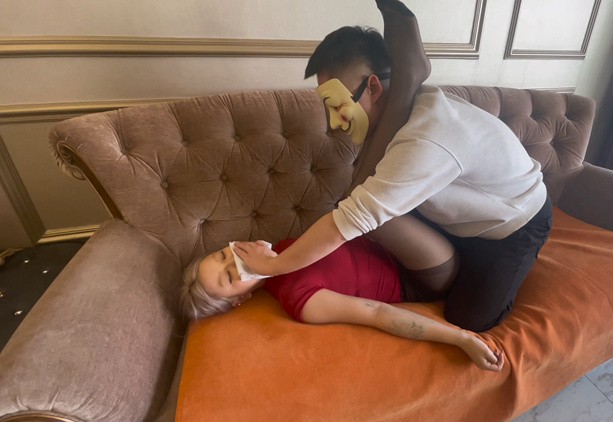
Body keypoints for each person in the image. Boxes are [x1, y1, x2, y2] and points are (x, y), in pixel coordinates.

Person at [235, 0, 553, 332]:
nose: (334, 122)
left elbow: (348, 218)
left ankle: (513, 271)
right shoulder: (399, 121)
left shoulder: (424, 138)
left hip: (513, 224)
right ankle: (409, 72)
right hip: (458, 213)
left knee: (468, 318)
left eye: (337, 105)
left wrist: (273, 266)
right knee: (371, 206)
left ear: (373, 87)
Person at [179, 238, 503, 372]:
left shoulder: (284, 247)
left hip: (405, 244)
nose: (235, 259)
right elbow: (379, 314)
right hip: (421, 274)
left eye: (222, 254)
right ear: (241, 299)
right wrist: (460, 338)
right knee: (376, 204)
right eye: (231, 275)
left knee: (378, 201)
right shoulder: (301, 300)